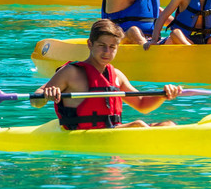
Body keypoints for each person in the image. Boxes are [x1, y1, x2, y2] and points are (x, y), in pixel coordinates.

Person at [31, 18, 182, 128]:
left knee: (168, 125)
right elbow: (35, 101)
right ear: (90, 44)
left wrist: (163, 95)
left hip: (112, 131)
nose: (107, 52)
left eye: (112, 47)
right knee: (138, 125)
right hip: (82, 135)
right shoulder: (71, 72)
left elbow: (142, 104)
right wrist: (46, 94)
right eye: (102, 45)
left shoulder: (117, 75)